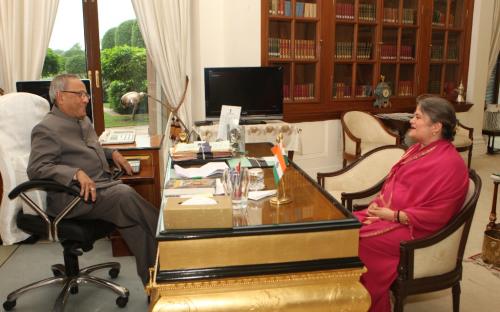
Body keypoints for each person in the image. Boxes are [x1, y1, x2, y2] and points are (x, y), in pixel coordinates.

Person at [27, 74, 158, 286]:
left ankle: (154, 283)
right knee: (124, 195)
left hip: (101, 189)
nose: (86, 99)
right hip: (72, 199)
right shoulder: (46, 129)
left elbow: (89, 149)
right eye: (80, 94)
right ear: (60, 97)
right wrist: (74, 173)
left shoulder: (82, 120)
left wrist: (112, 153)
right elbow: (37, 168)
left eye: (85, 94)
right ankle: (169, 234)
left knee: (134, 224)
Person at [353, 95, 469, 311]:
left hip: (418, 231)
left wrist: (392, 215)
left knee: (358, 241)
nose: (411, 121)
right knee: (345, 227)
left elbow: (438, 215)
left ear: (436, 127)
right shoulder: (418, 148)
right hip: (393, 217)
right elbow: (396, 186)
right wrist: (379, 207)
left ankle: (368, 303)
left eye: (417, 117)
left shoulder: (450, 164)